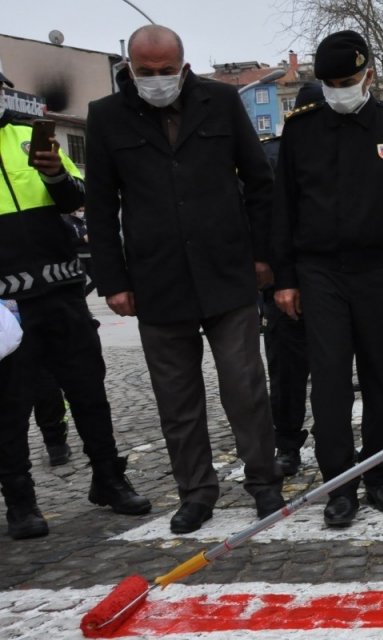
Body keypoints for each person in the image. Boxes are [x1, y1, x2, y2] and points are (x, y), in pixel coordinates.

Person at [86, 26, 283, 534]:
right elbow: (102, 207)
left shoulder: (220, 102)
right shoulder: (106, 117)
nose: (156, 80)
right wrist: (113, 281)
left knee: (245, 388)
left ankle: (265, 483)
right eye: (145, 72)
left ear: (183, 64)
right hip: (157, 280)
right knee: (177, 400)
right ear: (129, 66)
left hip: (227, 271)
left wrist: (265, 256)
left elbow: (260, 183)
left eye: (165, 71)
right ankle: (195, 493)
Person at [271, 30, 383, 527]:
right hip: (320, 271)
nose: (338, 90)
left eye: (347, 81)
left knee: (382, 376)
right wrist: (286, 279)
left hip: (382, 269)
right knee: (331, 381)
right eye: (330, 83)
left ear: (369, 76)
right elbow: (284, 209)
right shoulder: (301, 130)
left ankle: (381, 475)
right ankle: (339, 483)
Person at [0, 68, 152, 540]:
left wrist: (53, 174)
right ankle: (21, 502)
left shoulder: (30, 135)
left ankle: (109, 478)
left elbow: (78, 199)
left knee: (89, 392)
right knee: (8, 408)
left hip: (63, 291)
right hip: (6, 306)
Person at [260, 82, 323, 477]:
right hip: (285, 279)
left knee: (328, 370)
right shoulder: (268, 155)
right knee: (286, 372)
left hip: (330, 276)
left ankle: (326, 440)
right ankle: (286, 442)